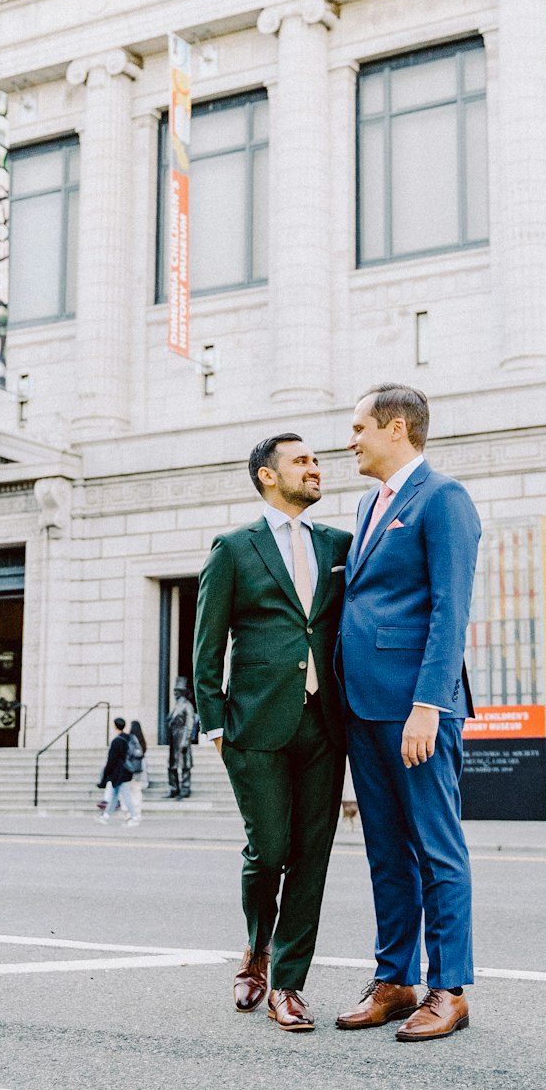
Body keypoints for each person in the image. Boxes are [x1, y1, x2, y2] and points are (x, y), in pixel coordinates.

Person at [335, 383, 480, 1043]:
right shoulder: (369, 504)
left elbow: (450, 609)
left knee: (435, 849)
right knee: (385, 851)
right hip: (363, 707)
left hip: (417, 708)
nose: (351, 439)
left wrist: (429, 702)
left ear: (396, 428)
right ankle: (394, 980)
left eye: (360, 427)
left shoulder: (443, 499)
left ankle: (448, 989)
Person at [194, 433, 351, 1033]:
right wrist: (215, 727)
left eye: (316, 461)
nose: (316, 468)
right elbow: (207, 645)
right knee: (269, 850)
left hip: (326, 723)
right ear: (267, 476)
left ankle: (288, 982)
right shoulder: (234, 548)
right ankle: (257, 949)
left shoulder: (339, 544)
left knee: (312, 857)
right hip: (254, 724)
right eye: (303, 461)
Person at [97, 720, 136, 826]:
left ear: (115, 727)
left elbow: (111, 760)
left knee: (125, 795)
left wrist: (106, 774)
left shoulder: (117, 741)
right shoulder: (128, 738)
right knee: (114, 795)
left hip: (119, 772)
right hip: (126, 770)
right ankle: (105, 816)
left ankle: (134, 816)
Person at [166, 678, 199, 799]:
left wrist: (186, 740)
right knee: (172, 765)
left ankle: (185, 788)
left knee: (185, 764)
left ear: (182, 692)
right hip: (174, 738)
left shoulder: (187, 705)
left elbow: (190, 724)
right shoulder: (176, 706)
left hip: (182, 737)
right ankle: (174, 788)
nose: (174, 693)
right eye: (174, 691)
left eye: (177, 691)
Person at [123, 720, 148, 824]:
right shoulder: (142, 740)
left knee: (129, 792)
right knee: (137, 791)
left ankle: (130, 814)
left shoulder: (130, 739)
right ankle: (137, 813)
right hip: (140, 769)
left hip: (130, 769)